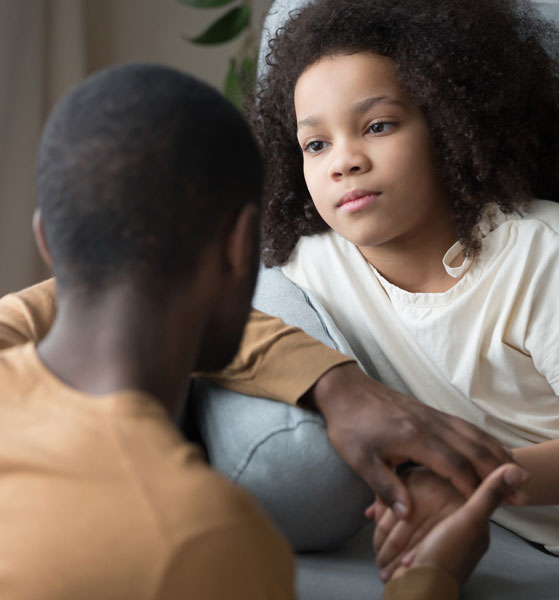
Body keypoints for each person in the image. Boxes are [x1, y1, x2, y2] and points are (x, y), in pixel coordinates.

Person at [0, 60, 528, 599]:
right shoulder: (204, 539)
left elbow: (104, 296)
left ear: (48, 240)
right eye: (315, 144)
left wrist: (334, 382)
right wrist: (432, 576)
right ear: (241, 247)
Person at [243, 0, 559, 561]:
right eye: (316, 144)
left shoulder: (543, 251)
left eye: (378, 125)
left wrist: (470, 477)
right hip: (501, 533)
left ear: (449, 122)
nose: (344, 161)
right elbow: (188, 304)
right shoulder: (313, 263)